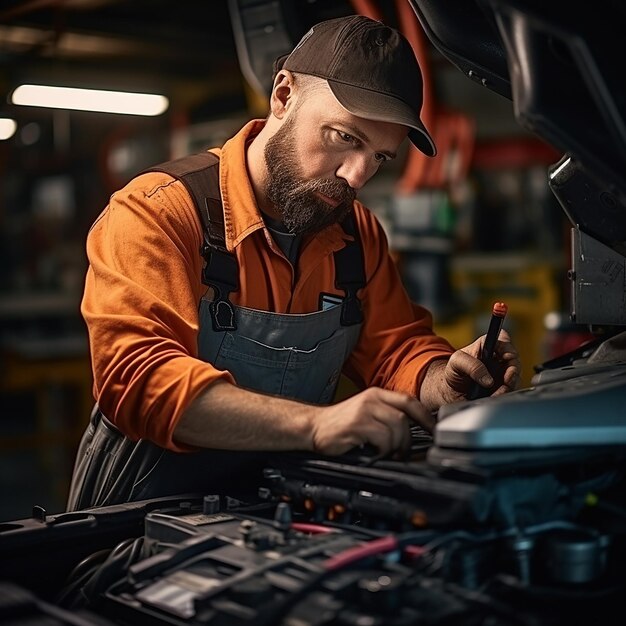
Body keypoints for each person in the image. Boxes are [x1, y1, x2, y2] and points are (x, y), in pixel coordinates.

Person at [66, 14, 519, 511]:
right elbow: (138, 381)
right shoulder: (158, 212)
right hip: (135, 518)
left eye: (380, 158)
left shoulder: (356, 234)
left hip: (271, 514)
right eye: (344, 137)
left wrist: (440, 380)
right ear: (283, 95)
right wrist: (316, 424)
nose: (356, 176)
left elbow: (393, 348)